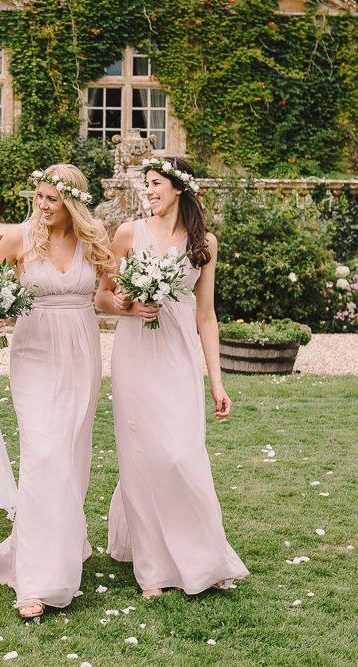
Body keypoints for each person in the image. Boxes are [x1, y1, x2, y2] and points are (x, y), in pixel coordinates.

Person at [94, 156, 249, 598]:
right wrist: (129, 305)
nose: (149, 191)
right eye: (146, 184)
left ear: (179, 188)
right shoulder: (128, 233)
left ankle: (204, 556)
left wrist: (217, 381)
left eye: (156, 183)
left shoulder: (206, 243)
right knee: (142, 456)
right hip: (136, 352)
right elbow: (102, 296)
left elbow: (206, 316)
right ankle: (153, 568)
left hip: (178, 354)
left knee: (183, 454)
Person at [0, 164, 113, 619]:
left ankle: (59, 545)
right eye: (37, 197)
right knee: (43, 454)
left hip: (81, 352)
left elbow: (113, 294)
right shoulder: (18, 239)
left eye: (51, 199)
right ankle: (36, 579)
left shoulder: (94, 240)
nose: (42, 206)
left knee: (72, 455)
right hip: (34, 354)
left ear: (71, 202)